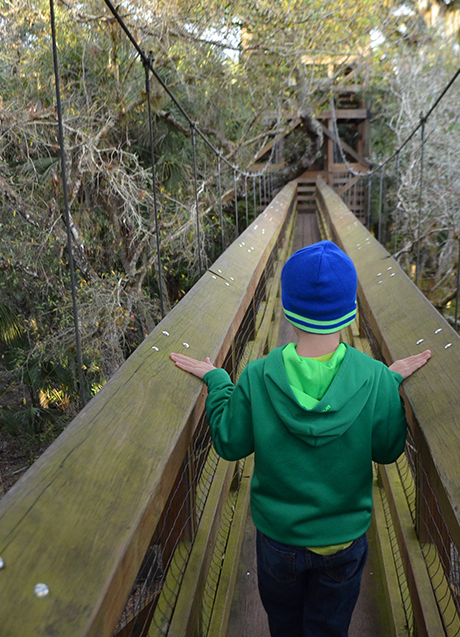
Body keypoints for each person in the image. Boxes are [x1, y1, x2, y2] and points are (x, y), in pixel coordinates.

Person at [170, 240, 431, 637]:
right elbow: (388, 448)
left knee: (285, 625)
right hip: (343, 542)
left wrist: (219, 381)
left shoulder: (257, 377)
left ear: (288, 309)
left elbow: (228, 442)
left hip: (279, 541)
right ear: (350, 311)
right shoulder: (375, 377)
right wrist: (386, 383)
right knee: (329, 628)